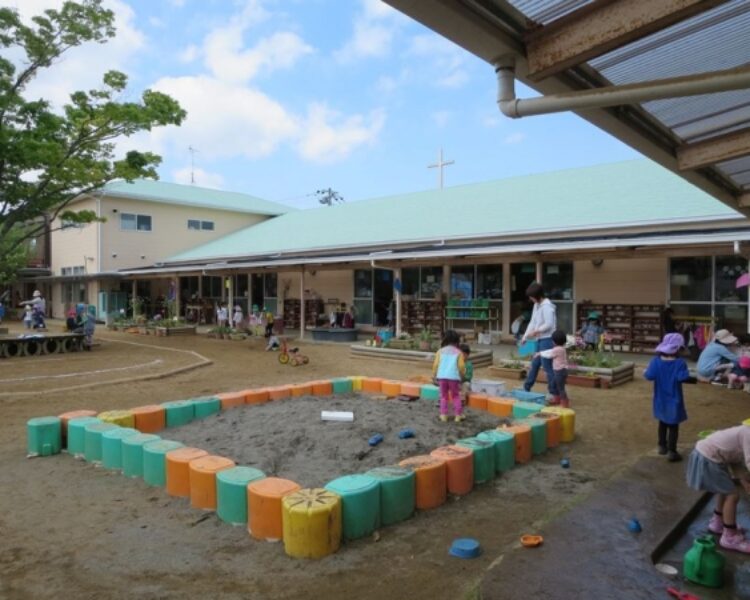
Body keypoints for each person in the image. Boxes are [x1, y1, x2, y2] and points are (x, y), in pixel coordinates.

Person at [686, 424, 750, 553]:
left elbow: (735, 459)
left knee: (725, 489)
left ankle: (718, 523)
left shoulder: (743, 432)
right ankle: (729, 537)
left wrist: (744, 481)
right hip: (708, 458)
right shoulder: (748, 434)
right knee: (733, 495)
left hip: (708, 455)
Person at [644, 332, 694, 462]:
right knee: (673, 426)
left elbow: (649, 376)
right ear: (678, 349)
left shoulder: (655, 361)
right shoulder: (680, 363)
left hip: (660, 399)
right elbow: (682, 377)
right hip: (674, 399)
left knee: (662, 422)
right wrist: (689, 375)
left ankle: (662, 446)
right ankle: (672, 451)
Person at [521, 283, 558, 400]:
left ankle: (554, 393)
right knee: (535, 364)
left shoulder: (547, 306)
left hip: (547, 339)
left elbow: (549, 324)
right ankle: (526, 387)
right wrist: (525, 336)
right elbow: (532, 322)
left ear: (537, 296)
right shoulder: (536, 305)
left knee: (547, 367)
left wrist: (536, 331)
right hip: (539, 339)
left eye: (531, 296)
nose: (530, 299)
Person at [432, 329, 466, 423]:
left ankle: (443, 415)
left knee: (443, 396)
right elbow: (461, 366)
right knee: (455, 396)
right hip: (454, 377)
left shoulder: (440, 351)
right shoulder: (458, 352)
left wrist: (434, 374)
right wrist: (462, 374)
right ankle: (458, 415)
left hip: (442, 377)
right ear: (456, 341)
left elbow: (435, 365)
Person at [535, 329, 570, 407]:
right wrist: (540, 353)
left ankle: (564, 402)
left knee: (561, 388)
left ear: (554, 341)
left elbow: (549, 355)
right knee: (554, 384)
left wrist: (539, 354)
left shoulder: (557, 350)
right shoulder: (562, 348)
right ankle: (556, 398)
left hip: (559, 372)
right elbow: (550, 351)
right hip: (562, 371)